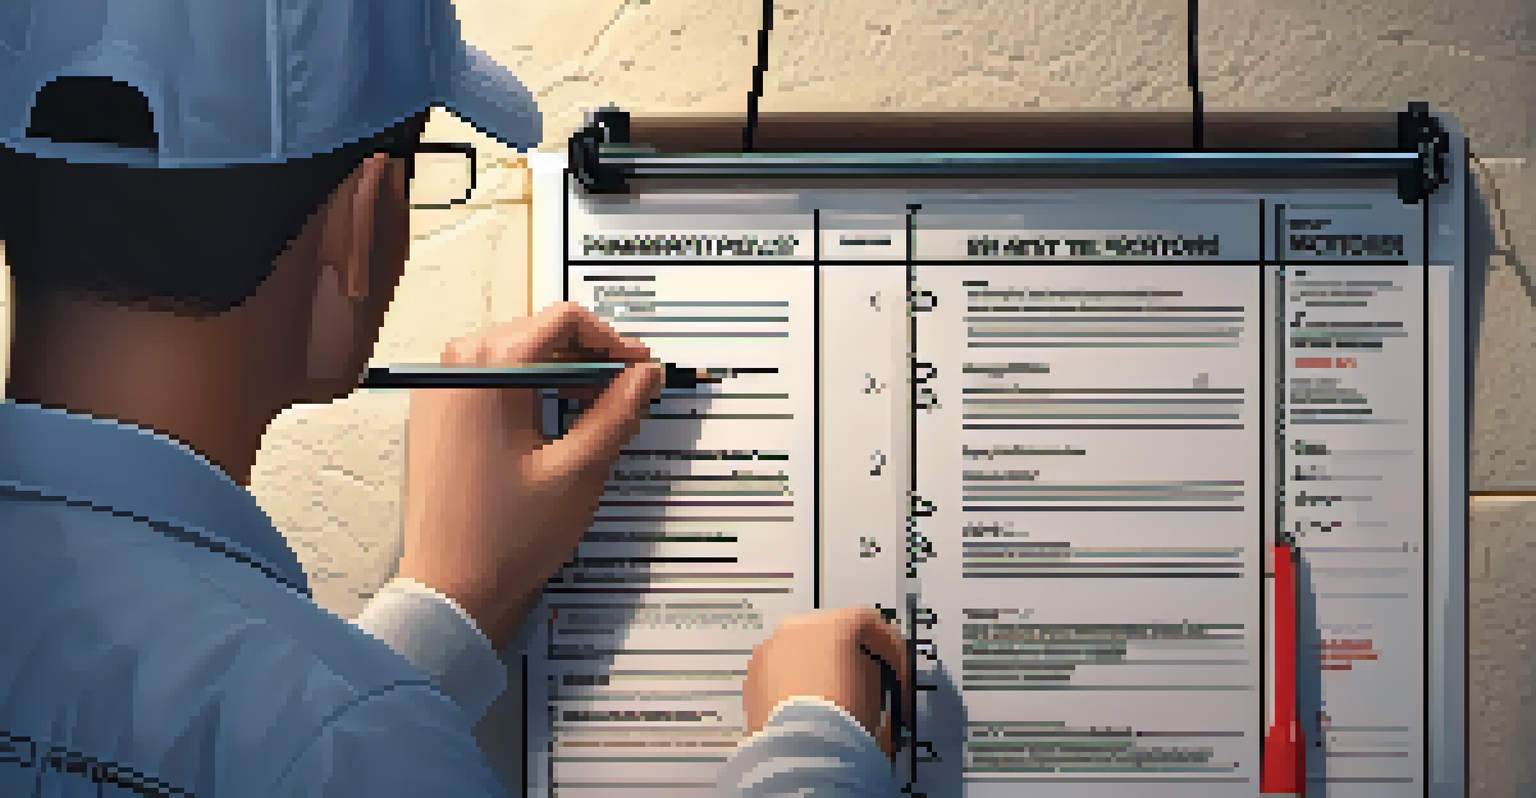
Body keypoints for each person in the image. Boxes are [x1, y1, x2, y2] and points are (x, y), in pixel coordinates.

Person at [0, 1, 913, 797]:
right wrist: (815, 749)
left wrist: (444, 609)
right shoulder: (356, 749)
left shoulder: (345, 741)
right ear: (368, 222)